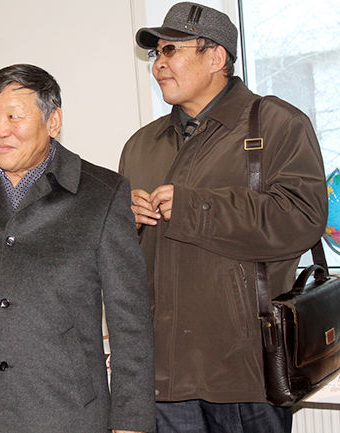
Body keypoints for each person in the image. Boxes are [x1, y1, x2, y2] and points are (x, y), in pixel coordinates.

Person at [0, 63, 155, 433]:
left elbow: (130, 322)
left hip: (64, 410)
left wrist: (131, 422)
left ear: (53, 122)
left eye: (13, 116)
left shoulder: (102, 194)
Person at [119, 2, 328, 432]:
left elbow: (302, 218)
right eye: (156, 53)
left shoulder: (277, 124)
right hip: (163, 375)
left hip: (244, 371)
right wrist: (126, 222)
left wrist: (196, 208)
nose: (158, 65)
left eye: (171, 51)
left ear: (216, 57)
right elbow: (123, 262)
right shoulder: (141, 145)